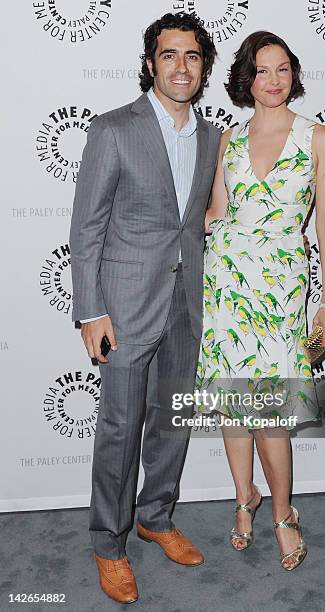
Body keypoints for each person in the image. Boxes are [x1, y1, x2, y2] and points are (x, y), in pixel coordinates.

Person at [69, 13, 220, 603]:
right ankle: (109, 543)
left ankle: (157, 515)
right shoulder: (113, 129)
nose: (180, 67)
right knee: (120, 428)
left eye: (192, 57)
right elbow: (87, 230)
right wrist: (91, 311)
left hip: (187, 302)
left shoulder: (210, 137)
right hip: (125, 308)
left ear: (202, 68)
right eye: (169, 56)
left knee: (172, 419)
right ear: (151, 62)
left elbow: (194, 220)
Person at [196, 31, 325, 571]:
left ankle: (283, 513)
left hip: (280, 287)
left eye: (283, 69)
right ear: (246, 79)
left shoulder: (318, 138)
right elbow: (216, 213)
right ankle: (244, 499)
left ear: (293, 74)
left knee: (271, 412)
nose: (274, 80)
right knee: (235, 404)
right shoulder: (227, 140)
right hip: (227, 284)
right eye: (262, 70)